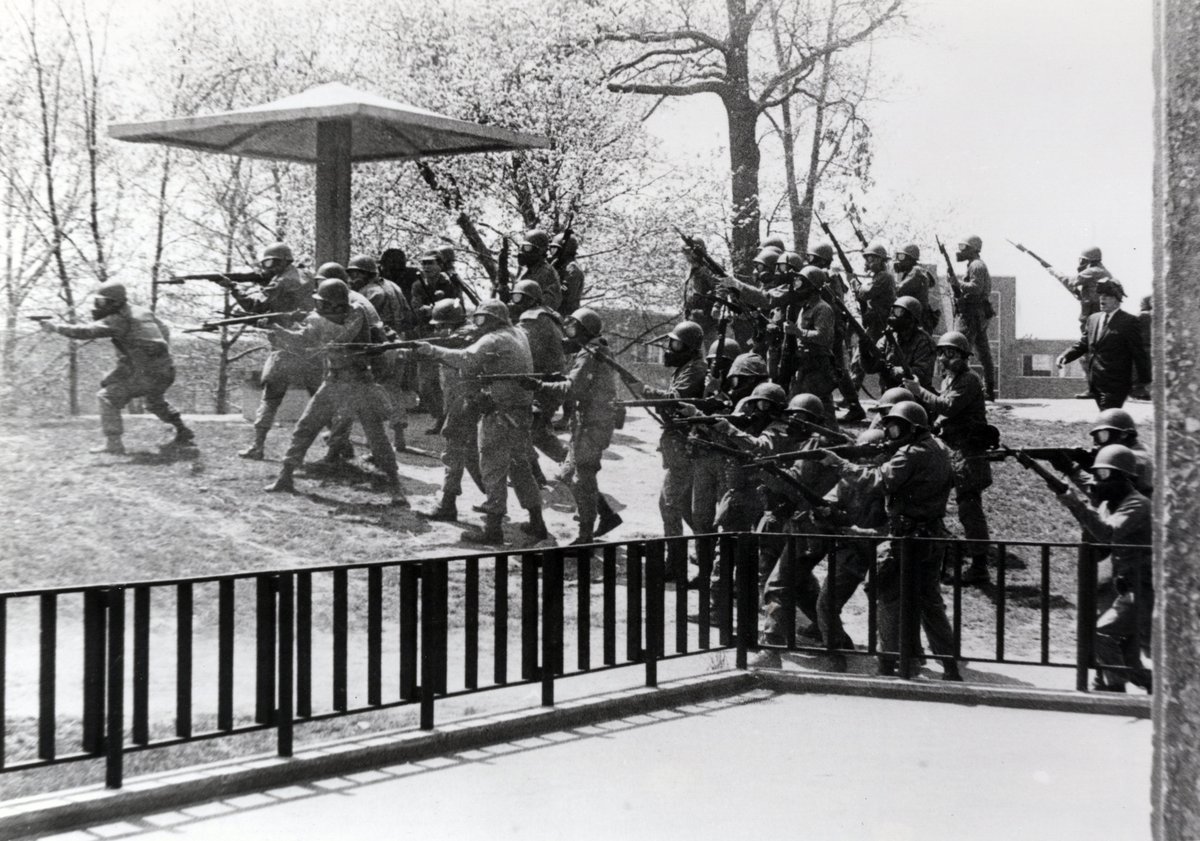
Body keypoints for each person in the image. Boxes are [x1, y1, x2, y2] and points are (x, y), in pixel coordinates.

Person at [824, 401, 962, 681]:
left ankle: (888, 664)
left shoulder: (911, 454)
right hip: (932, 535)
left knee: (887, 597)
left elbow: (878, 480)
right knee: (930, 603)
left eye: (895, 427)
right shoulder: (939, 449)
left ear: (911, 428)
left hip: (906, 539)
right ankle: (949, 665)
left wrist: (841, 465)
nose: (889, 433)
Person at [411, 300, 546, 545]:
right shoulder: (517, 333)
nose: (478, 324)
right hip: (521, 411)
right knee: (520, 466)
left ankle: (493, 530)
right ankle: (537, 523)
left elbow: (465, 358)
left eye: (482, 319)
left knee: (492, 467)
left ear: (493, 320)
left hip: (500, 413)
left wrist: (432, 350)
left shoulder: (494, 339)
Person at [264, 278, 407, 505]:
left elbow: (340, 337)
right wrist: (279, 331)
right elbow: (304, 341)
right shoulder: (321, 319)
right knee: (306, 426)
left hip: (360, 382)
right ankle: (285, 476)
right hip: (334, 381)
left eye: (322, 303)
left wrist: (313, 320)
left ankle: (396, 487)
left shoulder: (356, 313)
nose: (318, 307)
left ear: (334, 304)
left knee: (376, 437)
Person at [39, 281, 195, 454]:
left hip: (147, 373)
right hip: (165, 370)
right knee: (153, 401)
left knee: (107, 397)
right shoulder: (142, 311)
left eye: (102, 302)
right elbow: (164, 330)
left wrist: (55, 327)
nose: (99, 306)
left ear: (116, 302)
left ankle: (113, 444)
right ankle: (183, 432)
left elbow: (86, 332)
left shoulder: (119, 319)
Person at [1044, 445, 1153, 692]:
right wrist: (1067, 473)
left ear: (1123, 478)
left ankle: (1114, 690)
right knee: (1128, 659)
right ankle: (1155, 686)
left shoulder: (1137, 505)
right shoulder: (1112, 501)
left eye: (1103, 475)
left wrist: (1070, 499)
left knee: (1101, 634)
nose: (1097, 482)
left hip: (1144, 588)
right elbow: (1091, 491)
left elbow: (1106, 532)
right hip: (1128, 586)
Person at [903, 331, 993, 586]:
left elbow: (948, 407)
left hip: (968, 452)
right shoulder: (949, 380)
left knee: (969, 507)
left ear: (963, 357)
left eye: (950, 354)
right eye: (941, 353)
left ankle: (979, 566)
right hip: (952, 450)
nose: (944, 358)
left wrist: (919, 391)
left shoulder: (969, 380)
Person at [534, 308, 624, 543]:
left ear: (585, 330)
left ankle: (586, 536)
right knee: (567, 473)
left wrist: (540, 385)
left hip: (593, 425)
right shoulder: (592, 350)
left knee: (581, 478)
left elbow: (573, 389)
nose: (569, 334)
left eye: (573, 329)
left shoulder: (591, 353)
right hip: (587, 423)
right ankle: (605, 515)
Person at [225, 242, 322, 460]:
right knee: (321, 398)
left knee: (270, 399)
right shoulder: (306, 275)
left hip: (285, 346)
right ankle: (340, 446)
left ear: (284, 261)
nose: (267, 268)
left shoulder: (282, 282)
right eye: (265, 264)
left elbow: (255, 306)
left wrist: (233, 288)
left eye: (271, 262)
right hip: (311, 346)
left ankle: (257, 446)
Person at [636, 321, 708, 538]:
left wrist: (643, 389)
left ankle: (675, 566)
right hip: (681, 445)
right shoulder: (687, 368)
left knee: (669, 504)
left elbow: (674, 400)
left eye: (676, 345)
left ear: (689, 348)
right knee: (685, 507)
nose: (670, 349)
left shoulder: (696, 368)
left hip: (686, 445)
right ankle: (708, 548)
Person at [422, 300, 486, 522]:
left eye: (440, 326)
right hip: (464, 400)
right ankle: (493, 498)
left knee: (453, 450)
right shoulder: (464, 335)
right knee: (468, 454)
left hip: (465, 399)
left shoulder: (465, 336)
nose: (437, 330)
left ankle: (447, 504)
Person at [347, 253, 415, 451]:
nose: (352, 279)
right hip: (398, 342)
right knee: (394, 390)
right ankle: (399, 437)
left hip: (381, 345)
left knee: (371, 389)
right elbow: (408, 314)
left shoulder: (369, 293)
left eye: (356, 274)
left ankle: (373, 439)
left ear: (366, 273)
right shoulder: (394, 286)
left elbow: (363, 321)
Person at [1056, 279, 1151, 410]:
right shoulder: (1093, 319)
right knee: (1108, 420)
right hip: (1096, 382)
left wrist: (1143, 382)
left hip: (1116, 383)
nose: (1102, 299)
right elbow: (1084, 344)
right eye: (1101, 295)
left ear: (1117, 299)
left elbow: (1138, 353)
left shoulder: (1129, 321)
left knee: (1108, 417)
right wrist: (1065, 356)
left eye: (1107, 296)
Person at [509, 279, 568, 479]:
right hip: (551, 381)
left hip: (542, 384)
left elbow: (519, 346)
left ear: (530, 299)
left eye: (518, 297)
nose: (514, 302)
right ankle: (538, 473)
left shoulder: (532, 319)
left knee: (532, 429)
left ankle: (569, 464)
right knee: (532, 429)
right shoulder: (548, 315)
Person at [807, 242, 867, 423]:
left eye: (812, 258)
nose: (809, 261)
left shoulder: (827, 277)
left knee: (837, 367)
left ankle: (854, 406)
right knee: (834, 367)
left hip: (831, 328)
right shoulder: (829, 276)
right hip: (831, 326)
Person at [952, 235, 997, 401]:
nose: (960, 251)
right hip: (976, 314)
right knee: (983, 353)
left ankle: (961, 387)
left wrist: (957, 284)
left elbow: (976, 288)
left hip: (971, 314)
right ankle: (989, 390)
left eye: (964, 247)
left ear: (974, 249)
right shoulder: (975, 264)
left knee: (959, 348)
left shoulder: (976, 265)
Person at [850, 241, 896, 400]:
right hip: (875, 323)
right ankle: (852, 395)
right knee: (859, 360)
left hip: (881, 324)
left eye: (873, 259)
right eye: (868, 259)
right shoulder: (876, 276)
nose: (869, 262)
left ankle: (884, 397)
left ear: (882, 261)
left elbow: (866, 293)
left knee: (877, 360)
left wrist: (857, 286)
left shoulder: (884, 276)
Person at [864, 296, 936, 392]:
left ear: (911, 318)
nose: (893, 316)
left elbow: (921, 374)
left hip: (915, 397)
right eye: (892, 311)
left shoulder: (924, 341)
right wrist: (864, 350)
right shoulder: (889, 337)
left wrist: (895, 371)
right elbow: (872, 366)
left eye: (898, 312)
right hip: (889, 394)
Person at [1047, 246, 1111, 330]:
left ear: (1088, 260)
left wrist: (1054, 272)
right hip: (1101, 310)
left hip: (1093, 311)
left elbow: (1070, 282)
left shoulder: (1093, 271)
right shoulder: (1102, 271)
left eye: (1083, 260)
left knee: (1089, 335)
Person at [681, 235, 722, 343]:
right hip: (691, 320)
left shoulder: (710, 267)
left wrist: (717, 306)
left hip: (707, 321)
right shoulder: (691, 269)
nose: (685, 255)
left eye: (688, 252)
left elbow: (721, 287)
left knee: (710, 355)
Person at [893, 244, 940, 332]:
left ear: (911, 259)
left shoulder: (916, 272)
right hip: (916, 317)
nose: (899, 261)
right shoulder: (913, 272)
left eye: (902, 257)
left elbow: (898, 290)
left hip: (917, 320)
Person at [515, 230, 562, 313]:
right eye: (521, 247)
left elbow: (529, 303)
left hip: (539, 319)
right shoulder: (529, 270)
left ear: (540, 251)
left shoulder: (544, 272)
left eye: (527, 247)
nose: (522, 251)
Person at [549, 231, 585, 317]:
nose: (552, 252)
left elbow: (565, 295)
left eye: (555, 249)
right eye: (551, 248)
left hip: (565, 315)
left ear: (564, 250)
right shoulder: (557, 265)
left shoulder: (572, 269)